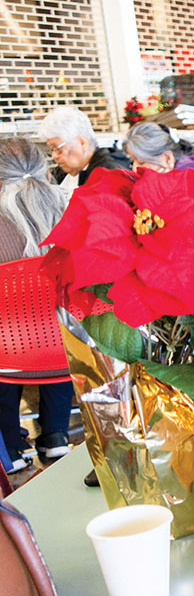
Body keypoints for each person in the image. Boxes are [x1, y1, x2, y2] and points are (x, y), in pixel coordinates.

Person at [0, 138, 74, 473]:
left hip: (8, 350)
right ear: (45, 168)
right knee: (59, 327)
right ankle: (55, 435)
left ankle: (11, 448)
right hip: (67, 344)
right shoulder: (71, 207)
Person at [123, 122, 194, 199]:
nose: (134, 168)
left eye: (141, 162)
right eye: (132, 162)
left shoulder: (185, 183)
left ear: (167, 158)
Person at [39, 106, 131, 193]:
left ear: (82, 143)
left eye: (57, 149)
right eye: (51, 149)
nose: (54, 155)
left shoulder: (108, 175)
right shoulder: (65, 170)